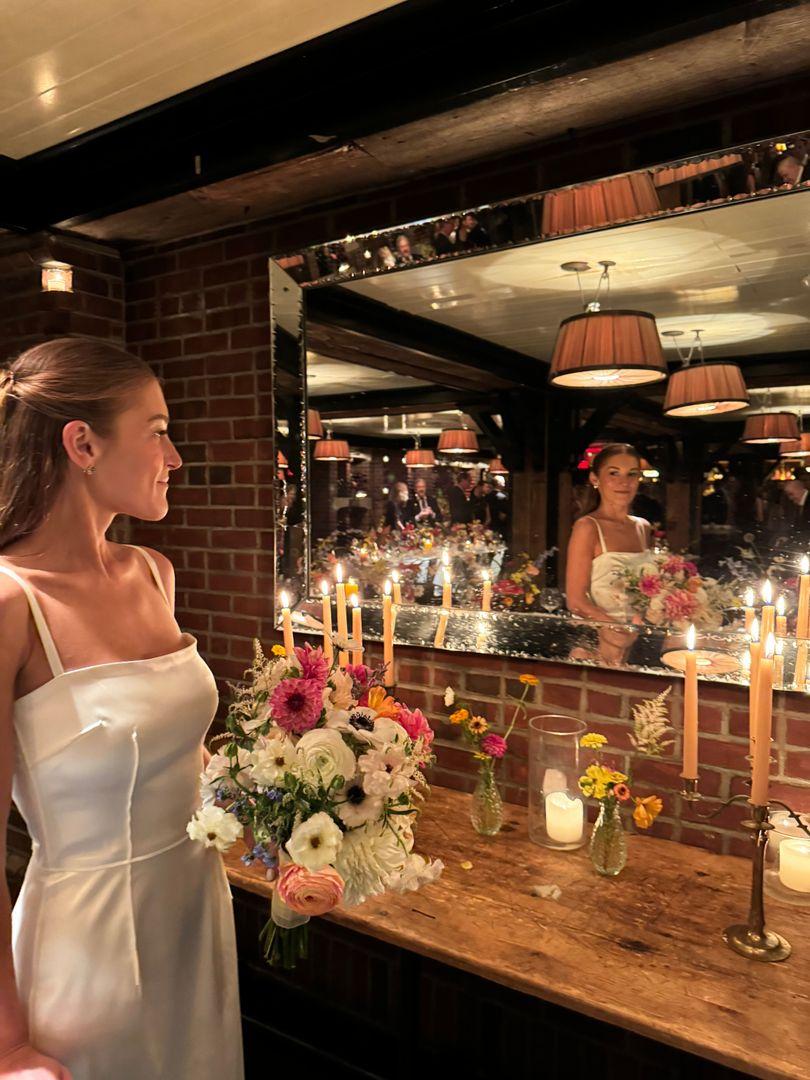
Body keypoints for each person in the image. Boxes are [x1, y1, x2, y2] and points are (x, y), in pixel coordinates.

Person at [0, 339, 243, 1080]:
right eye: (158, 429)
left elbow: (178, 757)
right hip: (90, 949)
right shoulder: (12, 602)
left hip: (198, 919)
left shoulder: (153, 573)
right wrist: (7, 1049)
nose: (174, 456)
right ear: (82, 443)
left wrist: (291, 802)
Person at [565, 444, 652, 664]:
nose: (624, 482)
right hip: (598, 641)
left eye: (632, 474)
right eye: (614, 473)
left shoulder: (643, 527)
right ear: (595, 479)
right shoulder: (587, 526)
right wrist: (613, 626)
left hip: (637, 642)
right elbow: (575, 600)